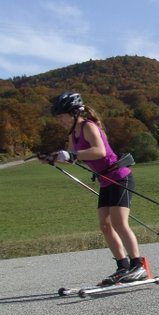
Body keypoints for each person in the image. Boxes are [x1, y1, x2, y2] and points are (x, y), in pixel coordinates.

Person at [47, 92, 148, 285]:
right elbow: (73, 155)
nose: (59, 120)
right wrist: (53, 157)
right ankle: (122, 266)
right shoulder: (72, 133)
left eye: (61, 116)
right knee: (105, 225)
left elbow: (98, 151)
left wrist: (71, 155)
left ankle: (138, 266)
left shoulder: (88, 126)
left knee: (119, 222)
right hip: (105, 181)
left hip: (120, 178)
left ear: (75, 112)